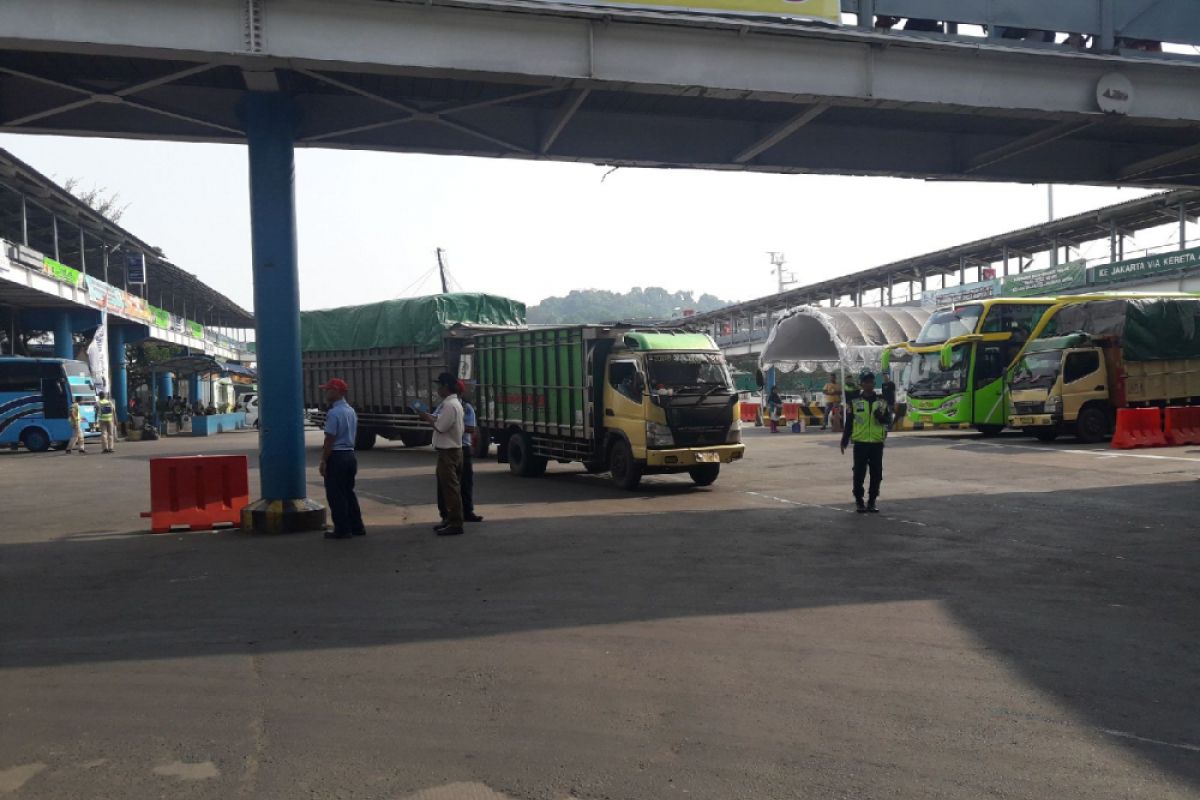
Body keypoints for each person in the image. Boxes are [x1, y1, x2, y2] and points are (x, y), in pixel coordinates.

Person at [318, 378, 365, 540]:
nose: (326, 393)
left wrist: (324, 460)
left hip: (337, 456)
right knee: (348, 492)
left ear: (337, 392)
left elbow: (330, 439)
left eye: (328, 390)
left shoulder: (334, 413)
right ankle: (357, 526)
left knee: (336, 494)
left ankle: (342, 529)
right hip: (350, 456)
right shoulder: (350, 411)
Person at [418, 373, 465, 536]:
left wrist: (427, 418)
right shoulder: (453, 403)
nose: (437, 389)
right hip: (451, 451)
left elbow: (441, 427)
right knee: (448, 488)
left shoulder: (450, 405)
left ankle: (455, 522)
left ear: (446, 387)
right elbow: (441, 420)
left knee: (450, 489)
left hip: (448, 452)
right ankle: (450, 519)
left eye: (439, 386)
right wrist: (431, 417)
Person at [840, 371, 892, 513]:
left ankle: (872, 501)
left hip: (876, 443)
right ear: (861, 384)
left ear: (874, 384)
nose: (869, 384)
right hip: (860, 444)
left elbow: (888, 421)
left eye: (871, 381)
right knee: (859, 473)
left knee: (876, 474)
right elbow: (849, 423)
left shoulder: (882, 402)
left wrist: (881, 417)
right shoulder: (855, 403)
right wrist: (844, 440)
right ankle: (859, 501)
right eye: (866, 382)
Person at [437, 380, 484, 525]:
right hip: (448, 448)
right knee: (445, 485)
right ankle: (446, 515)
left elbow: (470, 428)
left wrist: (453, 426)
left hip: (462, 448)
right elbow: (436, 421)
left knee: (465, 483)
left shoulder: (465, 407)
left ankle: (467, 512)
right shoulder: (443, 406)